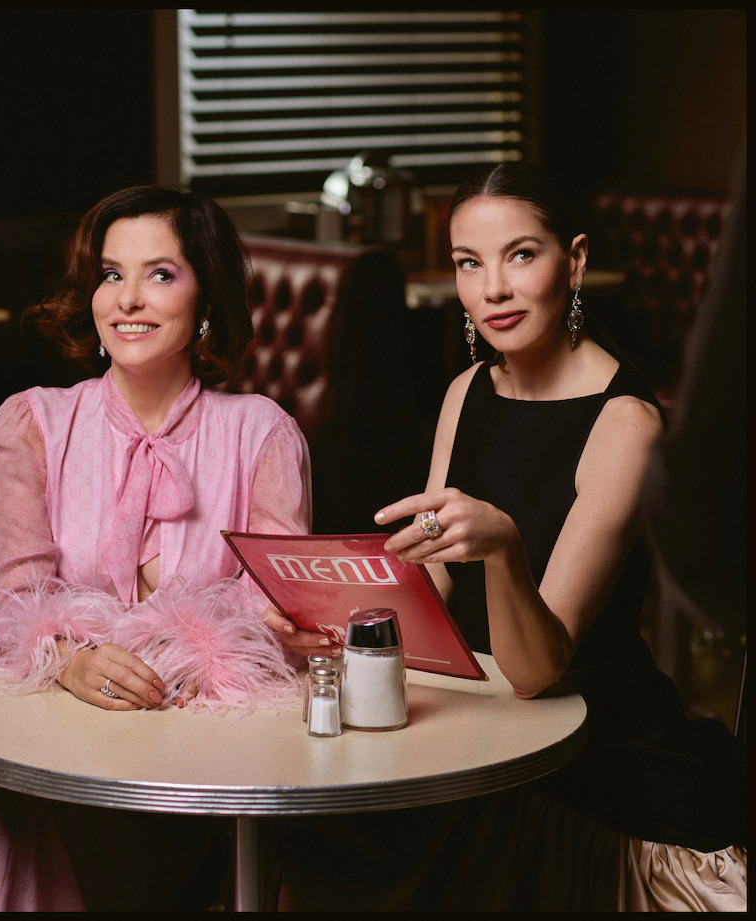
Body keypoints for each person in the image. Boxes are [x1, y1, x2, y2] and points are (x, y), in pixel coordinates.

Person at [272, 162, 746, 911]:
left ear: (576, 260)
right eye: (469, 262)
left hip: (587, 736)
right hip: (474, 713)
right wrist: (336, 621)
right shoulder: (466, 392)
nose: (491, 288)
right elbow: (431, 592)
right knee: (317, 822)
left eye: (521, 254)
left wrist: (504, 547)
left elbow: (538, 668)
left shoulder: (626, 421)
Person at [0, 185, 314, 911]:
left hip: (206, 763)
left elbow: (274, 624)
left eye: (160, 273)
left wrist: (190, 668)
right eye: (110, 273)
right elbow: (12, 604)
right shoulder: (29, 424)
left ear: (206, 295)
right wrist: (68, 660)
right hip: (53, 750)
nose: (128, 298)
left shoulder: (263, 433)